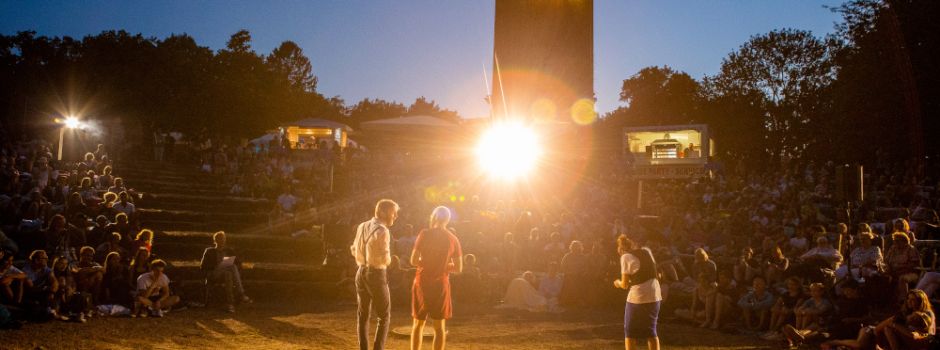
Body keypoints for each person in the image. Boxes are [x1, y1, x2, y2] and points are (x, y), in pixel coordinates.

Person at [410, 206, 463, 350]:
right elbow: (459, 268)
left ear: (433, 217)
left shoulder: (424, 234)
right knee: (439, 327)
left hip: (422, 283)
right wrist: (444, 266)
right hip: (440, 285)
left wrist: (427, 263)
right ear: (447, 220)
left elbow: (413, 260)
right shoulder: (453, 239)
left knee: (418, 324)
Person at [350, 199, 399, 350]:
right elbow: (385, 258)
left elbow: (353, 249)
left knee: (363, 315)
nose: (395, 216)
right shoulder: (383, 231)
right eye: (393, 213)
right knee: (384, 317)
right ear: (383, 212)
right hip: (376, 274)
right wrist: (391, 261)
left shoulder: (362, 226)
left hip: (360, 272)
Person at [613, 234, 662, 350]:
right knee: (651, 331)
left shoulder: (625, 257)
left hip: (638, 297)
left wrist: (617, 282)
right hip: (655, 294)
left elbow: (624, 285)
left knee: (630, 332)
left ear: (620, 249)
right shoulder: (647, 251)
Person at [200, 231, 251, 313]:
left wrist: (230, 261)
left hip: (225, 274)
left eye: (223, 239)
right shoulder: (209, 251)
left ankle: (230, 304)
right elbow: (203, 266)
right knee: (230, 266)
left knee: (229, 274)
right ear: (215, 240)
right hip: (214, 273)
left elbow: (238, 262)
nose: (222, 241)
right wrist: (217, 266)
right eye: (220, 239)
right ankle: (241, 293)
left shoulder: (229, 251)